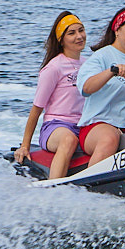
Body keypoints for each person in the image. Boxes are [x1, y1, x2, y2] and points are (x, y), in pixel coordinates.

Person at [14, 11, 88, 180]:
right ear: (61, 40)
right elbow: (36, 109)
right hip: (55, 127)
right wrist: (25, 145)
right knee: (68, 140)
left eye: (81, 30)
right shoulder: (53, 68)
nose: (79, 36)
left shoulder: (88, 64)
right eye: (72, 33)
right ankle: (54, 188)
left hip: (83, 125)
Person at [76, 6, 125, 166]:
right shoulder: (102, 56)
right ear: (117, 30)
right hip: (96, 126)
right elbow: (86, 88)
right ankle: (87, 188)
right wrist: (112, 71)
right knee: (110, 138)